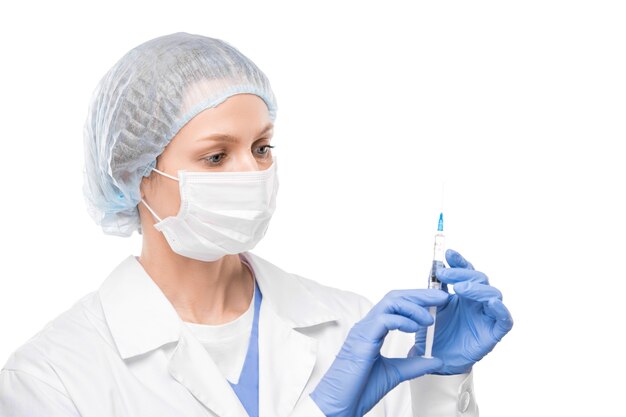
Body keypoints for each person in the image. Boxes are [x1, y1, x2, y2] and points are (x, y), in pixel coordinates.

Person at [0, 32, 513, 417]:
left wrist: (442, 383)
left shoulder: (351, 327)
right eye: (217, 156)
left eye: (262, 147)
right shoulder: (51, 378)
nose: (252, 173)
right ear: (133, 174)